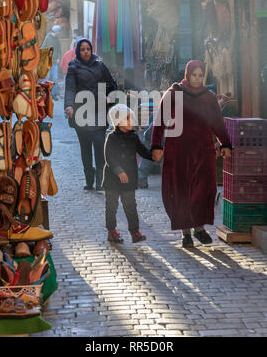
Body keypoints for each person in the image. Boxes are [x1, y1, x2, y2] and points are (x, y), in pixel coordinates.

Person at [151, 60, 232, 248]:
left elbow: (217, 123)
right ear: (187, 74)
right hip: (178, 151)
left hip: (203, 151)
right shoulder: (174, 94)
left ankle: (199, 228)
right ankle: (185, 232)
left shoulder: (209, 97)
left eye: (200, 75)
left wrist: (225, 143)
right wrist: (156, 146)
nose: (196, 79)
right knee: (181, 191)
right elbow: (159, 121)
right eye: (193, 75)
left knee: (203, 190)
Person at [64, 37, 117, 192]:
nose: (86, 52)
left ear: (91, 49)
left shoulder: (99, 65)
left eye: (88, 49)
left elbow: (112, 83)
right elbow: (70, 89)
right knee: (85, 148)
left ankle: (101, 181)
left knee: (100, 147)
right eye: (82, 49)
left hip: (99, 111)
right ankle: (89, 180)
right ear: (78, 51)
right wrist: (69, 105)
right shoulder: (73, 67)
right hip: (81, 112)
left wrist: (110, 96)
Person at [103, 104, 154, 244]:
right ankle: (112, 231)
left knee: (130, 205)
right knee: (111, 206)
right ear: (118, 122)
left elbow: (143, 151)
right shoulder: (111, 137)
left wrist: (153, 156)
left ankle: (135, 232)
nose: (132, 121)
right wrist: (119, 171)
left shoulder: (133, 137)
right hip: (113, 179)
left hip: (129, 178)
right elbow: (109, 157)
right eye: (128, 118)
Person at [42, 25, 62, 100]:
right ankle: (45, 95)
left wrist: (59, 58)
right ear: (55, 31)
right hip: (48, 62)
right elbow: (43, 48)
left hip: (55, 63)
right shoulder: (47, 38)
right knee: (46, 79)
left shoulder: (57, 40)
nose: (59, 33)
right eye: (59, 31)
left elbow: (59, 51)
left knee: (55, 79)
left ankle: (54, 94)